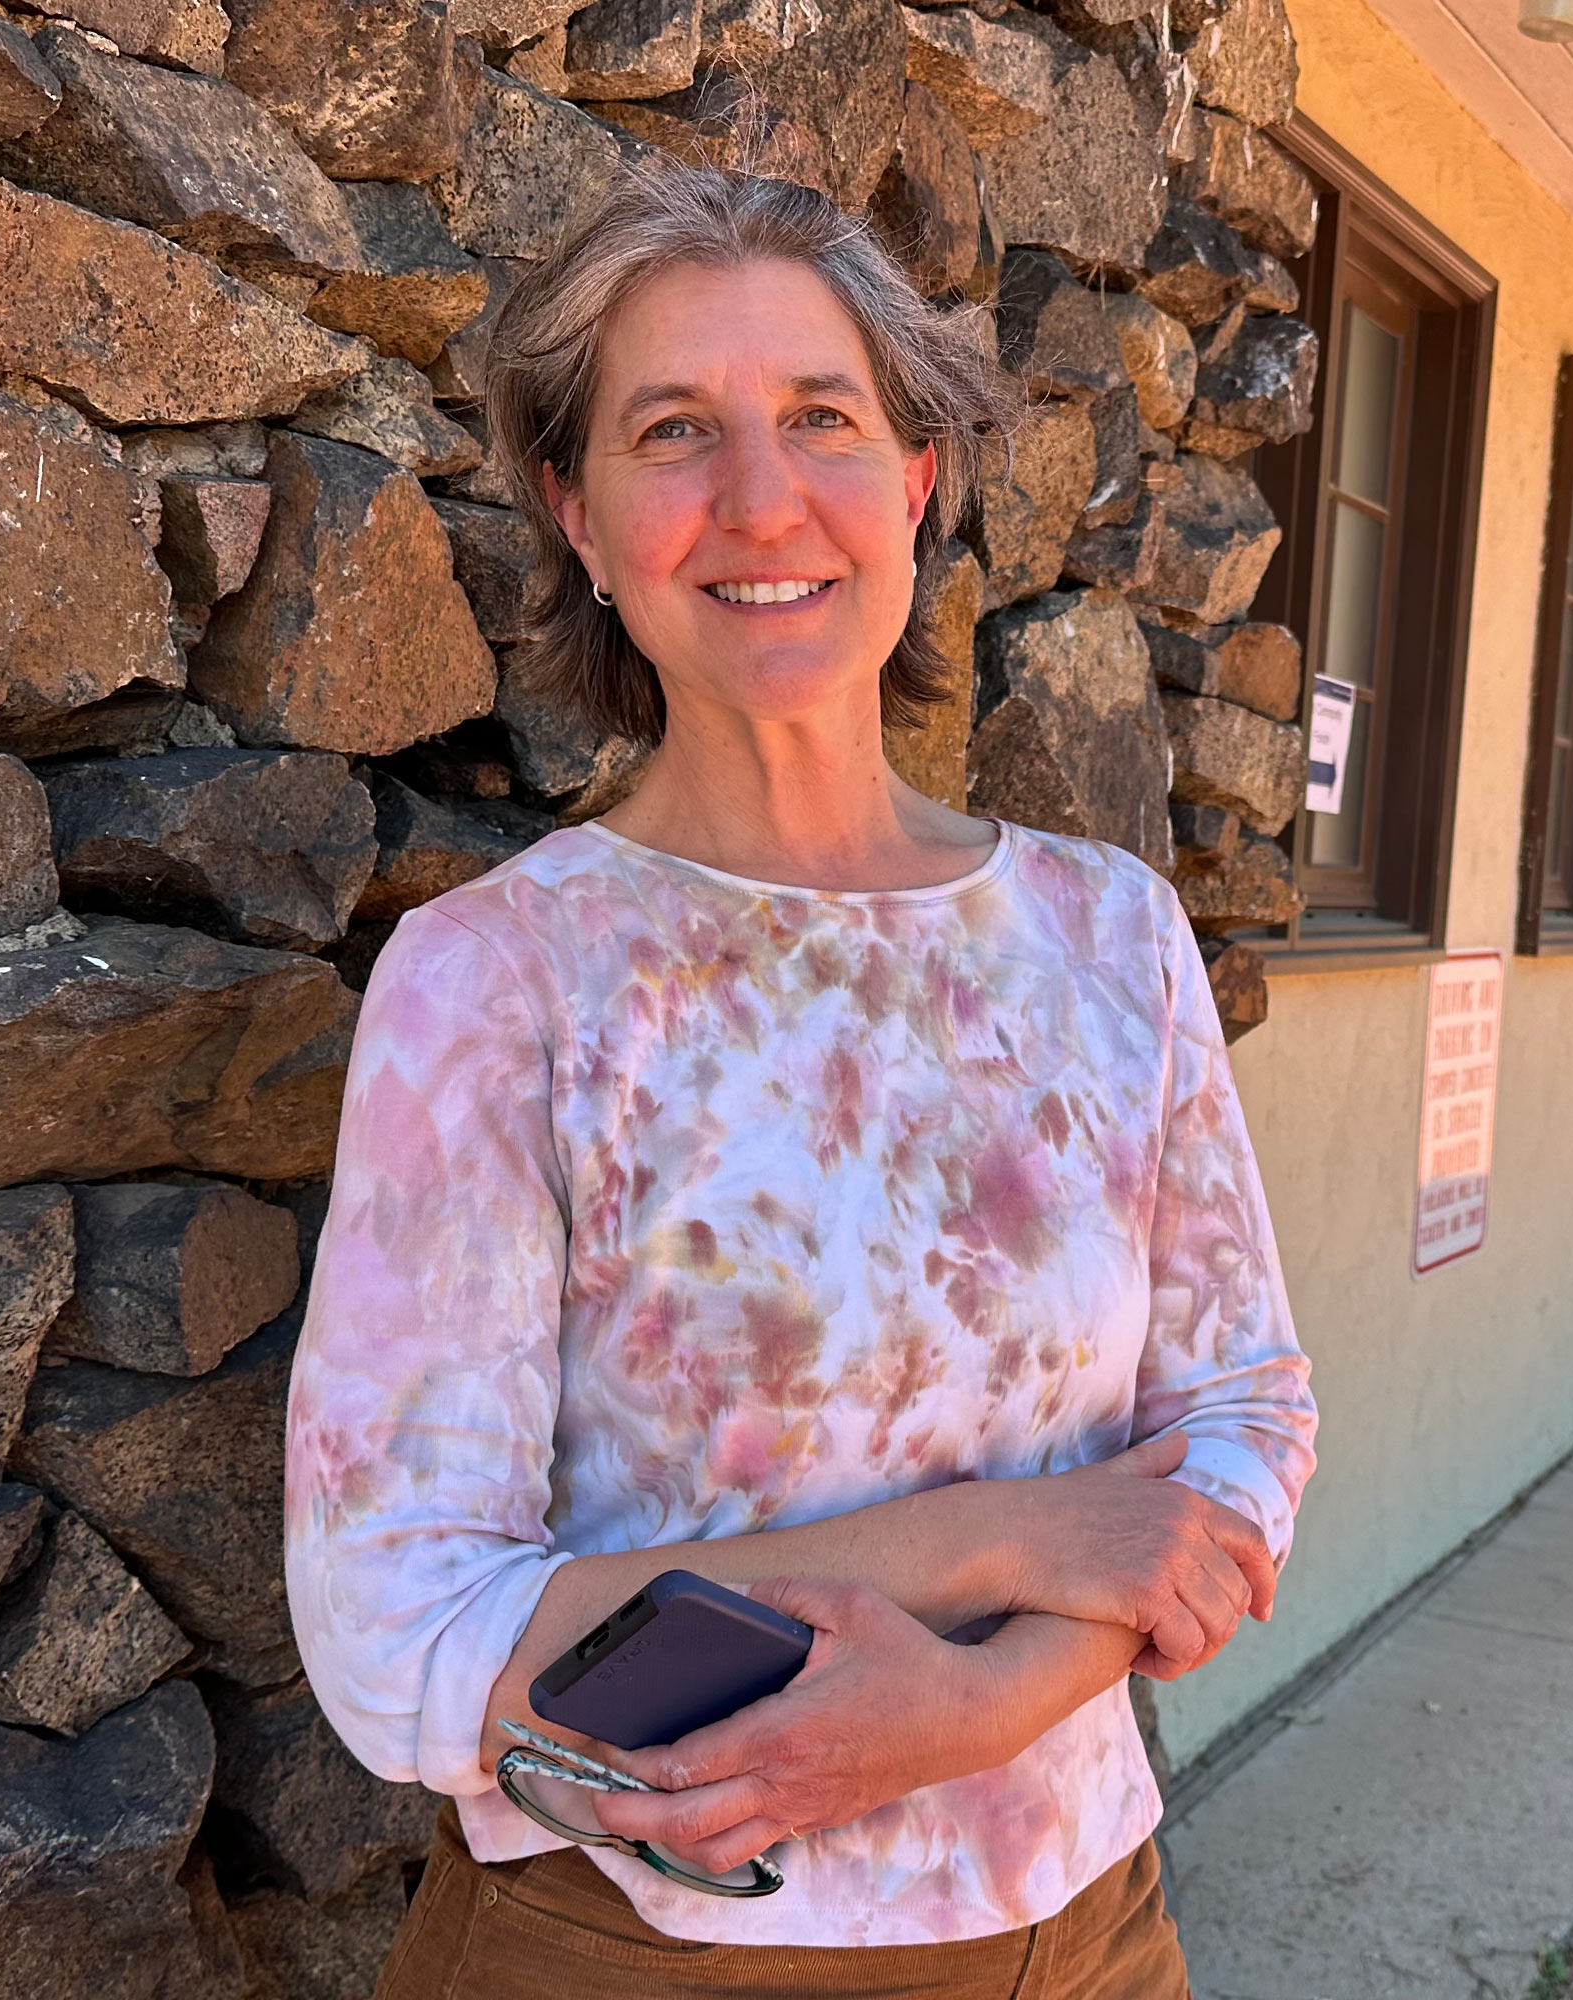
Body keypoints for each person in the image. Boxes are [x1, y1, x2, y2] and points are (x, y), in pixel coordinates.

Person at [284, 160, 1316, 1998]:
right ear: (577, 515)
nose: (764, 502)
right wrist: (994, 1537)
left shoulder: (1110, 938)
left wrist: (987, 1699)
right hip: (647, 1948)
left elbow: (1239, 1423)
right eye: (676, 430)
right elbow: (401, 1635)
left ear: (916, 479)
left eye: (822, 418)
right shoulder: (500, 985)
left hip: (1089, 1924)